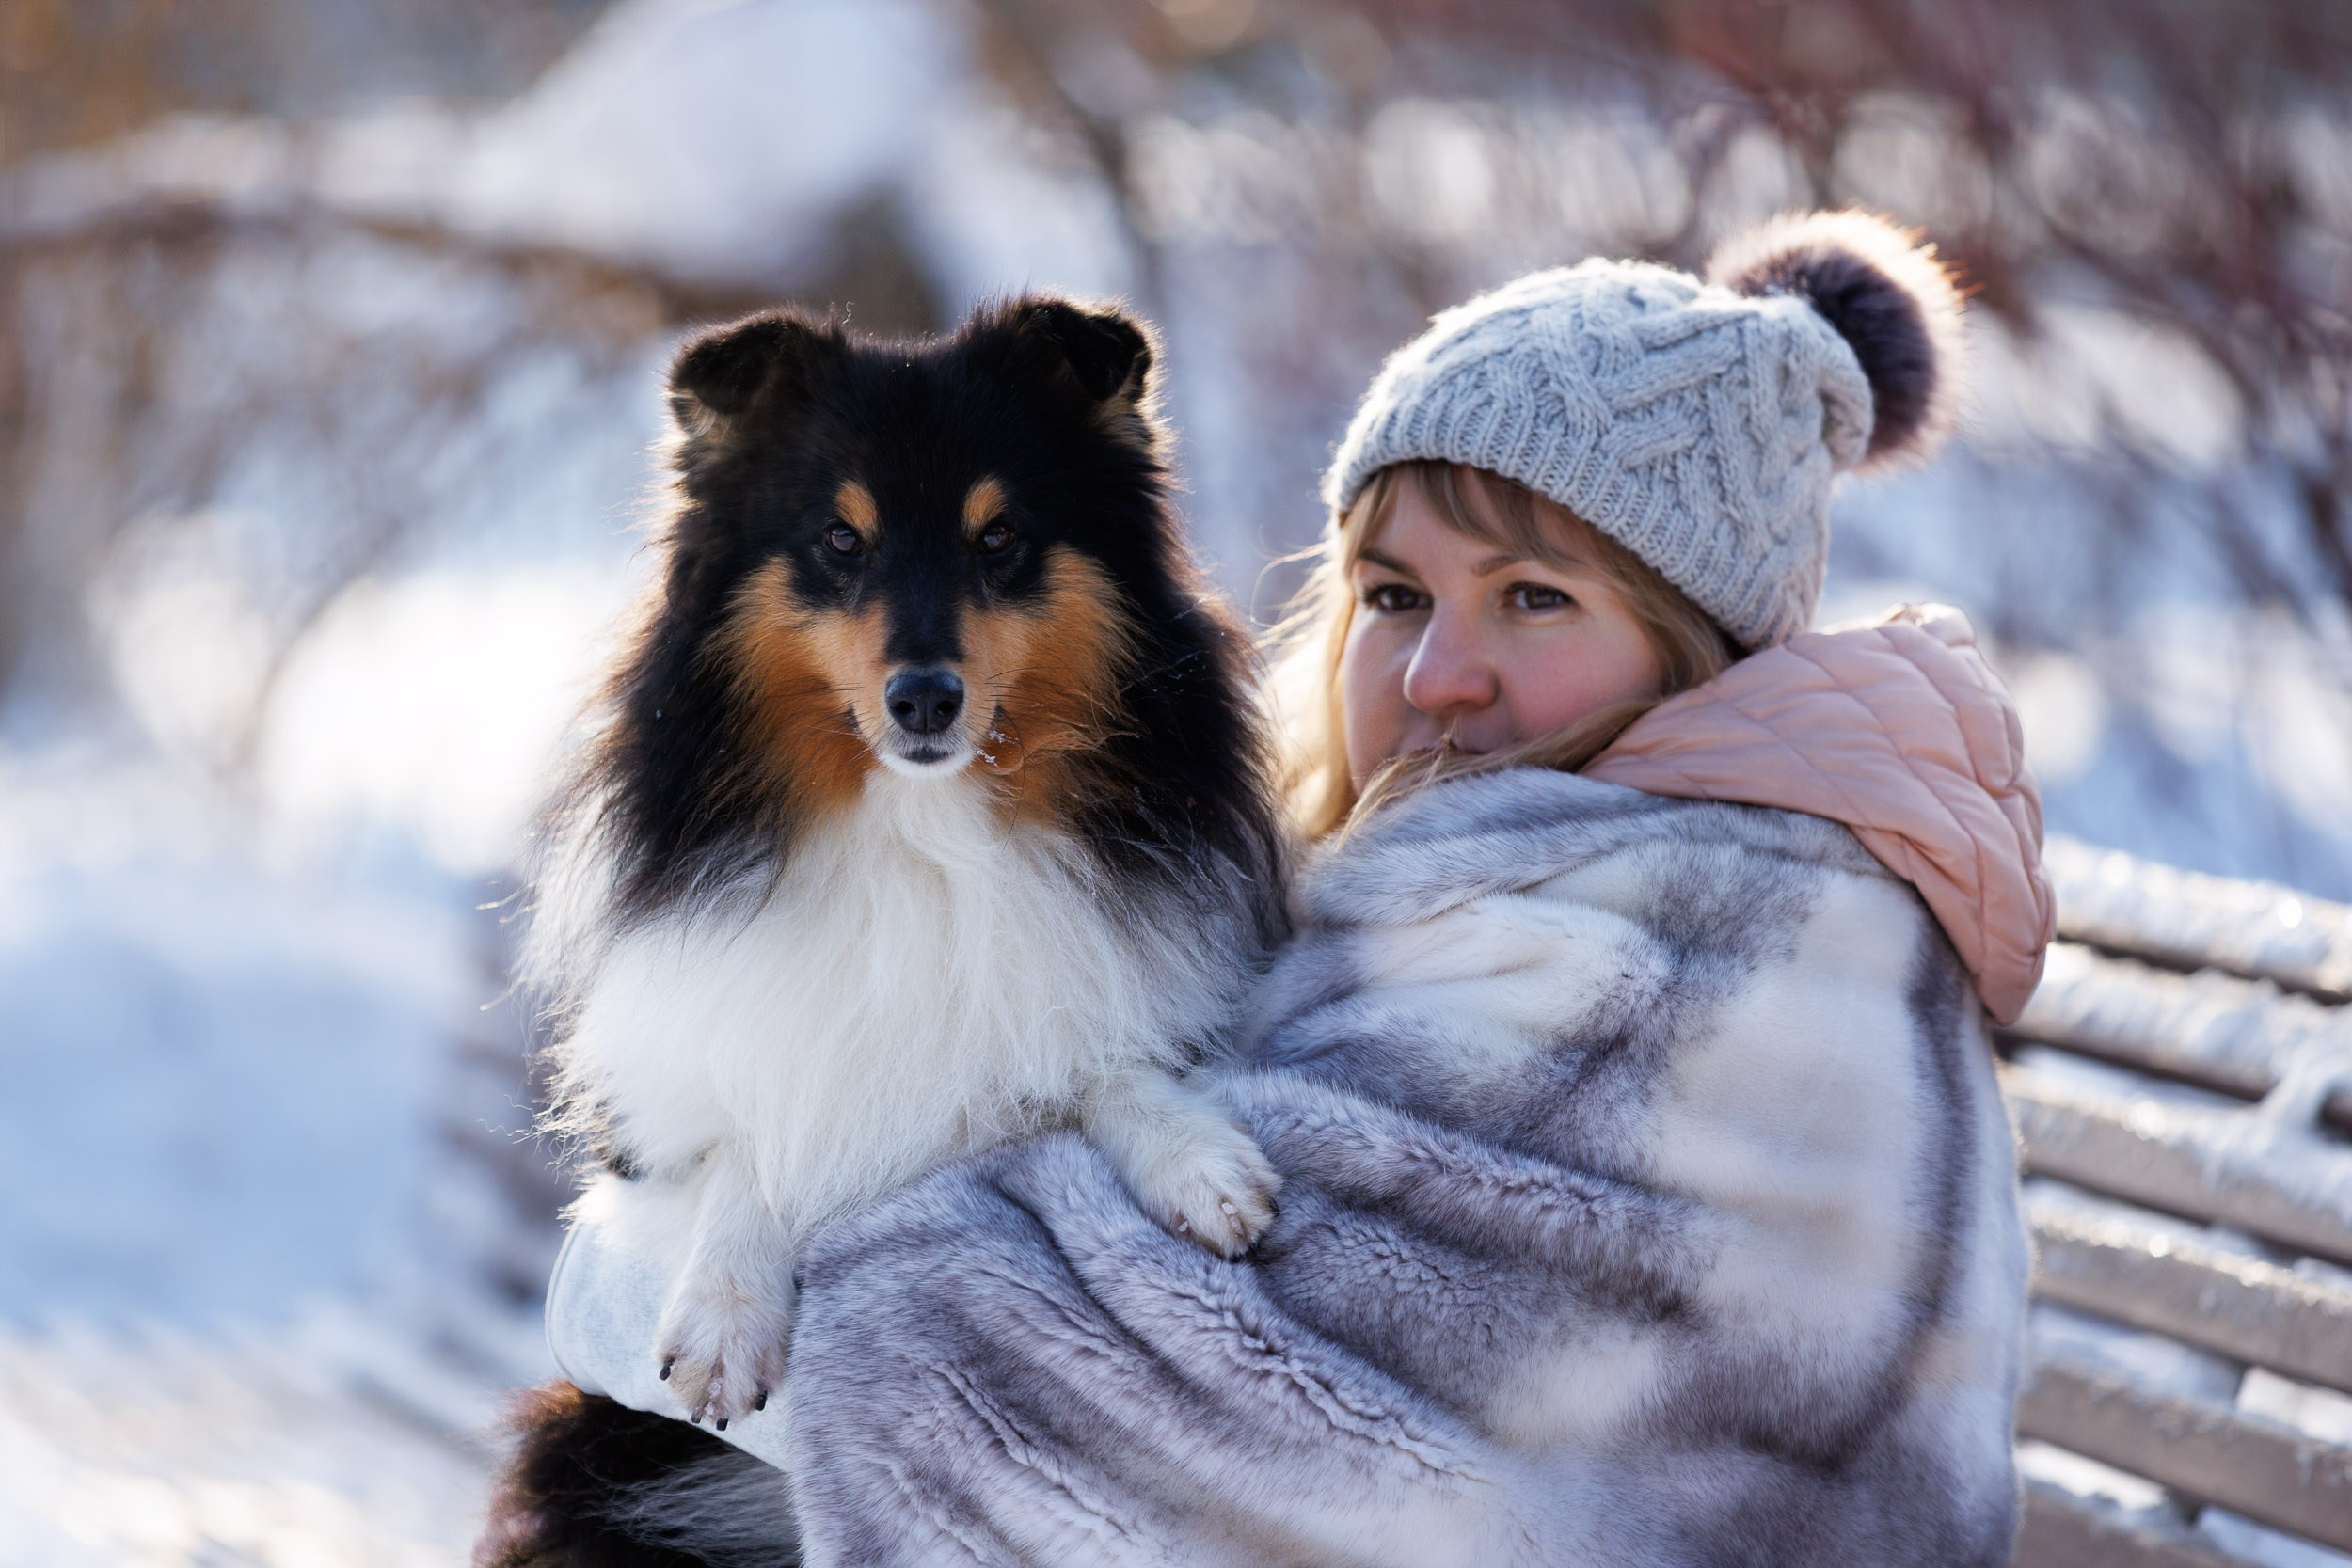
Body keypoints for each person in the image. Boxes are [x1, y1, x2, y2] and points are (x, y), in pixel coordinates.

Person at [530, 209, 2053, 1566]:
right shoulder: (1494, 877)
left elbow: (1115, 1402)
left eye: (1535, 597)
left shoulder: (1693, 966)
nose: (1443, 672)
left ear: (1697, 632)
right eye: (1394, 596)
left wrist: (641, 1271)